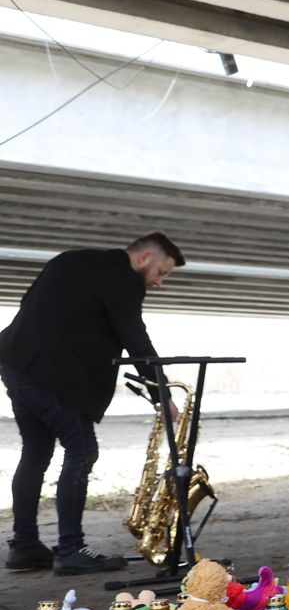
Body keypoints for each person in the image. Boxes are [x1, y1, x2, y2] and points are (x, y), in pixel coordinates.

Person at [1, 232, 184, 573]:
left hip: (16, 363)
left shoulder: (72, 259)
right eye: (163, 272)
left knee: (36, 452)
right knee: (82, 449)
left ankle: (24, 546)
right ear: (144, 258)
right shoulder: (121, 279)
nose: (159, 282)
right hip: (52, 375)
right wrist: (163, 393)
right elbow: (134, 335)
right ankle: (70, 549)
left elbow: (35, 309)